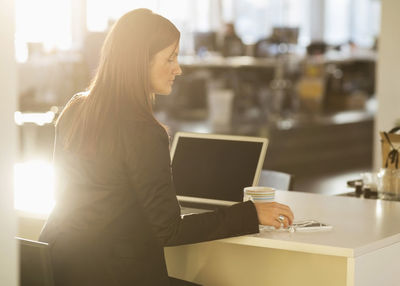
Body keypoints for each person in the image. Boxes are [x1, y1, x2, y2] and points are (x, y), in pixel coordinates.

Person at [39, 8, 294, 286]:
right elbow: (168, 230)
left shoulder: (75, 108)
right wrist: (250, 213)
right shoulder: (143, 130)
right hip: (114, 275)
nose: (178, 68)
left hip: (59, 267)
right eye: (170, 58)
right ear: (139, 63)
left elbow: (69, 194)